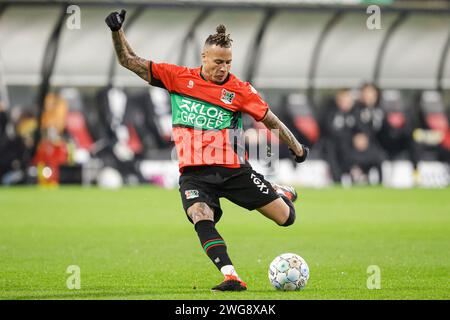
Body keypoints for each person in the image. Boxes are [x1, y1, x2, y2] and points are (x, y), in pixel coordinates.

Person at [105, 10, 309, 291]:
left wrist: (298, 150)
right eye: (218, 62)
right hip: (194, 174)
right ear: (203, 58)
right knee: (200, 214)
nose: (223, 67)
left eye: (228, 62)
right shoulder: (177, 78)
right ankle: (231, 276)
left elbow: (271, 121)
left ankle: (278, 191)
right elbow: (128, 60)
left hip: (233, 170)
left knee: (286, 219)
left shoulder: (240, 91)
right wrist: (117, 31)